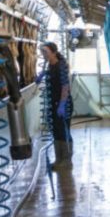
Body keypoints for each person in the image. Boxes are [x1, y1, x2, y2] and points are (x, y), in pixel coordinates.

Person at [40, 41, 73, 170]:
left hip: (64, 104)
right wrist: (44, 74)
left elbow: (65, 86)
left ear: (53, 52)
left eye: (46, 52)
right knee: (56, 131)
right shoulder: (50, 65)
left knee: (64, 131)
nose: (43, 54)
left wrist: (63, 104)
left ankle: (67, 160)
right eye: (42, 52)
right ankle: (59, 159)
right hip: (53, 103)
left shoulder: (61, 66)